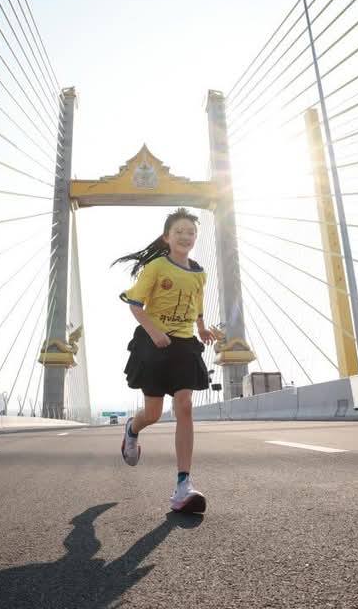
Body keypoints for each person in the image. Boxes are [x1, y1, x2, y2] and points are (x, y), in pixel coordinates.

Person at [113, 208, 216, 513]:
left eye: (191, 232)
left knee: (184, 405)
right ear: (167, 237)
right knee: (154, 413)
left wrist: (201, 328)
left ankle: (183, 485)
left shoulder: (199, 273)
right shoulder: (156, 267)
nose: (186, 236)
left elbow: (197, 304)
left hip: (184, 344)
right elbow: (135, 303)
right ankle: (132, 429)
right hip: (153, 343)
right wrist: (155, 332)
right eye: (179, 231)